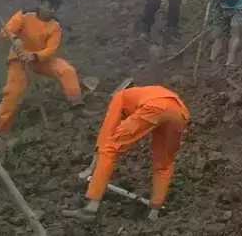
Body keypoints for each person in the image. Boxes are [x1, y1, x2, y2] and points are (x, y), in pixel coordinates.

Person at [63, 85, 189, 221]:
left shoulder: (119, 98)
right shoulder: (141, 94)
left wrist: (90, 169)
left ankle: (91, 207)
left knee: (110, 148)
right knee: (164, 163)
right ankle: (154, 212)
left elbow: (106, 136)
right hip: (179, 114)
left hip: (154, 107)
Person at [0, 0, 83, 133]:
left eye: (54, 9)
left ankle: (77, 104)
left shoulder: (55, 26)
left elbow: (51, 49)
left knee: (66, 70)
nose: (50, 11)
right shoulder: (24, 15)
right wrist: (15, 40)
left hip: (39, 58)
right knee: (13, 93)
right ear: (40, 4)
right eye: (48, 7)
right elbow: (6, 31)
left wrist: (34, 56)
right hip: (19, 58)